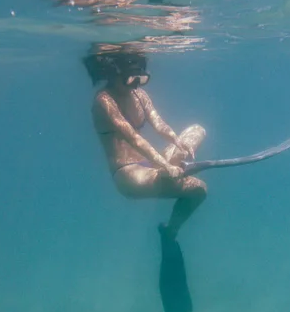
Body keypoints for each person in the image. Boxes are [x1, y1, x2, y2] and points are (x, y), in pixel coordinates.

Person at [83, 46, 207, 239]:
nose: (135, 85)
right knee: (199, 189)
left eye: (140, 79)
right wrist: (166, 164)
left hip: (151, 163)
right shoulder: (104, 101)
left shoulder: (139, 95)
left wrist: (178, 143)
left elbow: (159, 124)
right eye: (131, 79)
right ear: (115, 74)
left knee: (197, 130)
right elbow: (133, 138)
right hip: (130, 175)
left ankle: (165, 176)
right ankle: (170, 230)